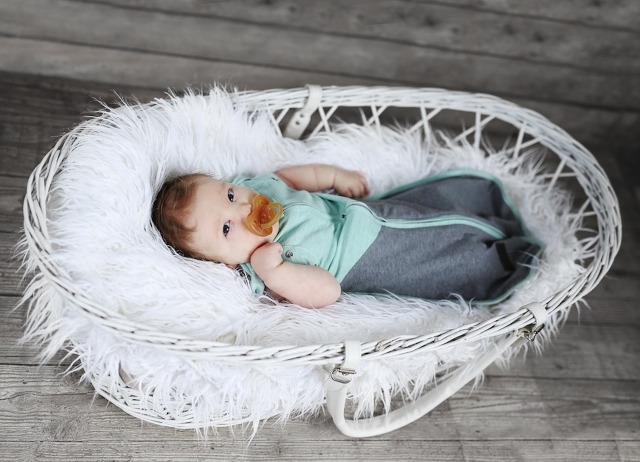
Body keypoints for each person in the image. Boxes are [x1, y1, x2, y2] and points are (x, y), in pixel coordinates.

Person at [152, 164, 542, 308]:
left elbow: (289, 178)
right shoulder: (264, 267)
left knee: (431, 214)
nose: (241, 210)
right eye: (226, 229)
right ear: (224, 263)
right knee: (444, 258)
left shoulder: (259, 188)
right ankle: (493, 260)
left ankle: (481, 215)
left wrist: (333, 177)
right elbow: (327, 291)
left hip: (367, 213)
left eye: (229, 195)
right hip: (370, 258)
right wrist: (276, 272)